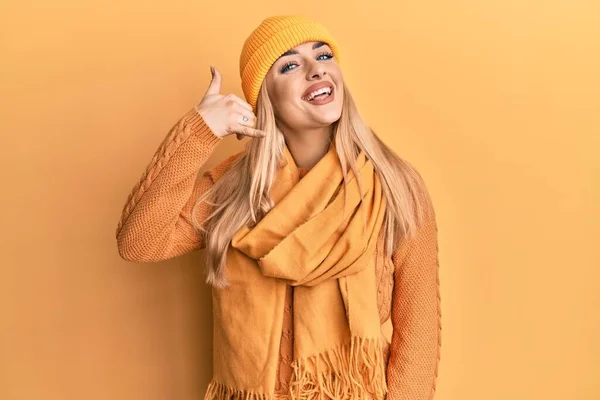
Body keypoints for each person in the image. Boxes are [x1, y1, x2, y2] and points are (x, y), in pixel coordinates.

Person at [116, 15, 440, 400]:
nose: (315, 69)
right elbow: (139, 243)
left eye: (323, 56)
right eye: (289, 65)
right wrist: (199, 131)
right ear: (265, 98)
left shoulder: (393, 183)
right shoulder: (233, 189)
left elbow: (418, 333)